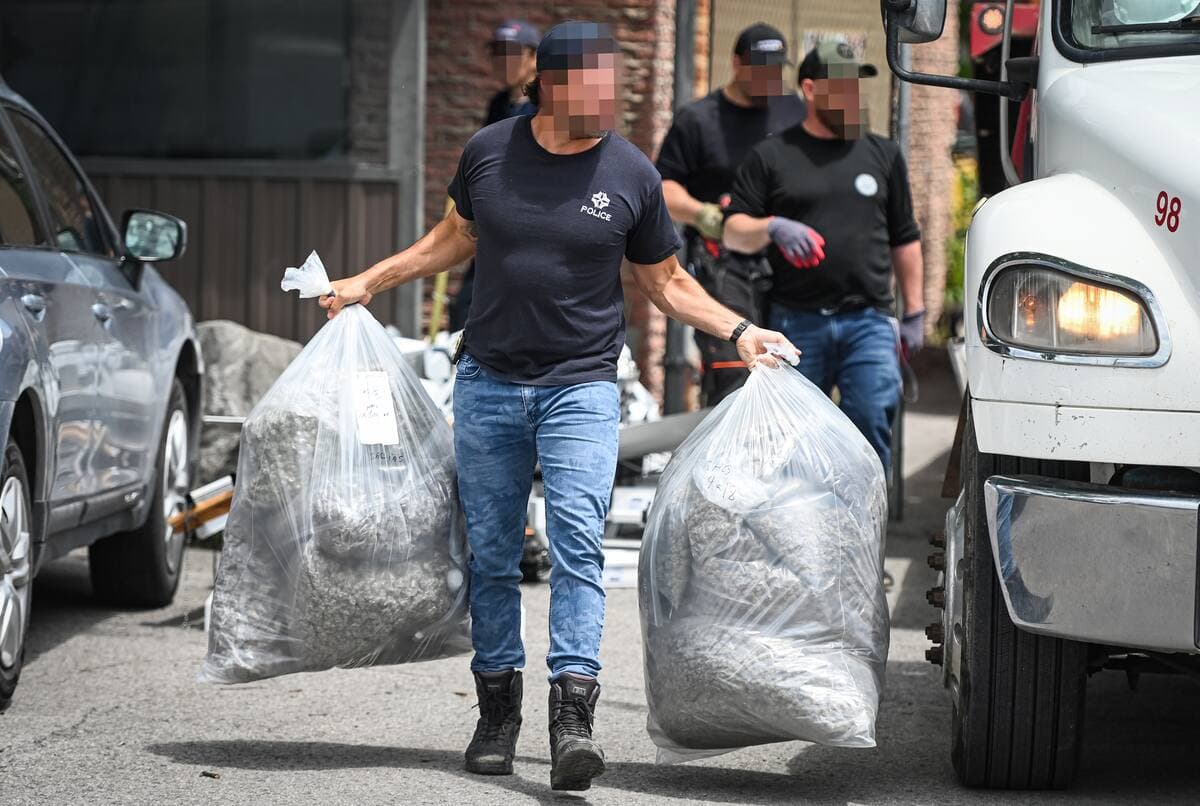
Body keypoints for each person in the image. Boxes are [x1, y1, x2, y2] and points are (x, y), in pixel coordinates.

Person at [320, 21, 796, 793]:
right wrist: (368, 282)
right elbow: (452, 238)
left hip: (581, 386)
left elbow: (666, 282)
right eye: (595, 85)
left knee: (577, 544)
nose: (610, 99)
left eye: (614, 85)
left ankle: (572, 718)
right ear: (550, 84)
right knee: (492, 556)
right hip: (488, 383)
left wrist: (738, 331)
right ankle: (496, 714)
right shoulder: (489, 152)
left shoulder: (631, 172)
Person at [724, 40, 925, 471]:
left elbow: (905, 237)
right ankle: (797, 513)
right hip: (794, 323)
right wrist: (772, 226)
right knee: (790, 437)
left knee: (871, 420)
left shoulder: (883, 154)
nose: (852, 95)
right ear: (811, 89)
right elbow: (733, 232)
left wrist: (915, 313)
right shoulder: (772, 155)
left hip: (868, 322)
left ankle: (866, 514)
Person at [656, 22, 807, 405]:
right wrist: (702, 214)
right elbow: (663, 188)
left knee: (790, 376)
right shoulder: (699, 119)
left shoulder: (794, 112)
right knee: (736, 380)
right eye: (760, 68)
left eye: (776, 69)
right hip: (721, 267)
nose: (769, 78)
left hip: (786, 265)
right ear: (737, 63)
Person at [449, 19, 542, 332]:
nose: (503, 62)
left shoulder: (544, 109)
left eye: (512, 54)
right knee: (467, 305)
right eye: (497, 54)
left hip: (530, 220)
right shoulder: (498, 105)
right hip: (492, 220)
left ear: (533, 57)